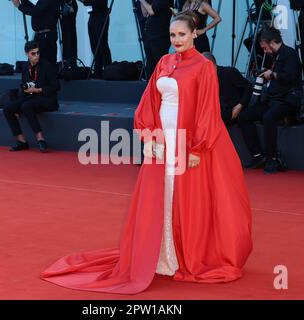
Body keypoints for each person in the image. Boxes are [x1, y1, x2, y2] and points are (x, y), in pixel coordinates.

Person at [41, 12, 252, 294]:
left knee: (183, 197)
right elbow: (150, 100)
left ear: (195, 34)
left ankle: (182, 255)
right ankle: (160, 254)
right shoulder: (164, 62)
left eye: (182, 34)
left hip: (187, 141)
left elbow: (208, 110)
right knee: (159, 194)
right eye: (172, 35)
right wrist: (147, 133)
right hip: (161, 139)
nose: (176, 40)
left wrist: (197, 148)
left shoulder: (204, 67)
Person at [238, 27, 302, 174]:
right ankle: (258, 155)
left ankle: (272, 158)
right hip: (274, 99)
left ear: (272, 43)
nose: (265, 51)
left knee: (269, 117)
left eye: (265, 48)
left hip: (289, 100)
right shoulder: (275, 56)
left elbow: (290, 77)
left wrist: (272, 74)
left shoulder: (290, 54)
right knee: (244, 116)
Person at [3, 41, 60, 153]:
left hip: (47, 99)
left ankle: (40, 139)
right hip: (30, 97)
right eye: (33, 54)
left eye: (38, 53)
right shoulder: (25, 67)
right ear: (27, 54)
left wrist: (38, 89)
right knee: (8, 109)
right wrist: (24, 95)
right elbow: (24, 88)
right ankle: (21, 141)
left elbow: (56, 86)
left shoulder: (46, 65)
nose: (36, 56)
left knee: (26, 106)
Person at [202, 52, 253, 126]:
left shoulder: (229, 72)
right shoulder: (206, 79)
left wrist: (240, 105)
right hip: (219, 114)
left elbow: (248, 87)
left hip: (233, 111)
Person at [12, 0, 60, 66]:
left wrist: (19, 6)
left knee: (43, 61)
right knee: (39, 62)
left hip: (45, 35)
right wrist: (25, 2)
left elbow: (35, 11)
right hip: (43, 34)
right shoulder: (45, 3)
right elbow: (36, 8)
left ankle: (46, 75)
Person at [139, 0, 173, 78]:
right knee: (150, 64)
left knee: (160, 63)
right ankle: (151, 86)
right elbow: (145, 13)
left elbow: (151, 11)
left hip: (160, 36)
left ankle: (162, 85)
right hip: (149, 34)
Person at [78, 0, 112, 78]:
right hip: (92, 15)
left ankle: (108, 70)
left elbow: (99, 2)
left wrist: (86, 1)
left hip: (101, 15)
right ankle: (98, 71)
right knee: (94, 45)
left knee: (102, 44)